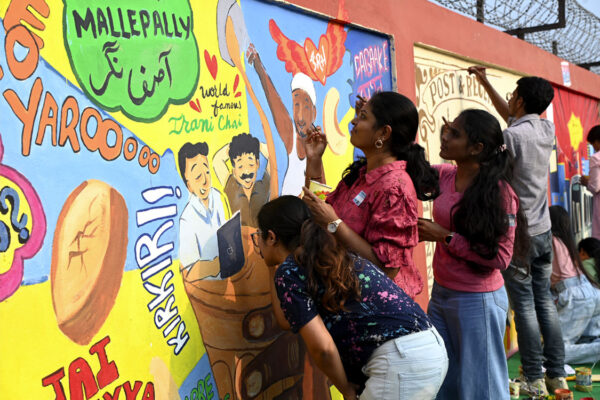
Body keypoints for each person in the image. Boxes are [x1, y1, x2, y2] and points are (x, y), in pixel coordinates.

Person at [253, 195, 448, 399]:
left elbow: (323, 349)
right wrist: (273, 268)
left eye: (259, 234)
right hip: (429, 349)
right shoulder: (331, 256)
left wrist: (345, 388)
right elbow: (288, 319)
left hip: (401, 362)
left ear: (271, 237)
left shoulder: (291, 271)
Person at [469, 66, 567, 395]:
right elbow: (514, 118)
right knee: (545, 303)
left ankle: (534, 378)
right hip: (543, 231)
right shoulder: (546, 129)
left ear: (521, 100)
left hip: (520, 233)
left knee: (523, 305)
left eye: (513, 94)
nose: (509, 98)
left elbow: (508, 131)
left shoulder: (512, 137)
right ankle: (556, 374)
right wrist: (484, 82)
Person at [418, 109, 528, 399]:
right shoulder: (444, 175)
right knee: (444, 380)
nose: (445, 136)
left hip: (477, 301)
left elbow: (501, 259)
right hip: (441, 295)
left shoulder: (500, 193)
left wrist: (444, 236)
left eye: (455, 133)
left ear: (477, 148)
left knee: (483, 387)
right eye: (447, 129)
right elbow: (408, 171)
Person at [302, 91, 439, 299]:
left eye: (363, 117)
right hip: (344, 297)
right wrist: (314, 160)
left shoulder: (395, 188)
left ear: (384, 133)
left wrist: (335, 224)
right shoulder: (363, 174)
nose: (353, 121)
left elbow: (387, 269)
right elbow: (322, 212)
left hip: (376, 310)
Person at [247, 45, 324, 196]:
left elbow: (322, 197)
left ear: (314, 113)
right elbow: (275, 103)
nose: (300, 116)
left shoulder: (316, 152)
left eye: (306, 107)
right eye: (296, 105)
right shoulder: (291, 137)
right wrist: (258, 65)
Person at [549, 206, 600, 364]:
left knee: (555, 354)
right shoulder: (567, 241)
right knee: (586, 339)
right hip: (591, 291)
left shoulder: (549, 240)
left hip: (576, 295)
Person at [178, 141, 226, 280]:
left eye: (207, 172)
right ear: (188, 185)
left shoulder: (216, 196)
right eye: (198, 177)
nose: (205, 180)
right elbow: (189, 272)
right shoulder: (187, 219)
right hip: (208, 288)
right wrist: (215, 265)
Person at [213, 133, 271, 227]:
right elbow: (217, 160)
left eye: (251, 165)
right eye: (240, 167)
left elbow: (271, 156)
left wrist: (255, 144)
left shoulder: (264, 185)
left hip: (260, 238)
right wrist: (235, 146)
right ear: (234, 171)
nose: (246, 171)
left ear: (257, 164)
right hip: (238, 239)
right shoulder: (231, 186)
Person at [580, 125, 600, 240]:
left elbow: (595, 186)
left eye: (593, 144)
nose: (594, 147)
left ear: (597, 141)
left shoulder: (596, 158)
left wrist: (586, 182)